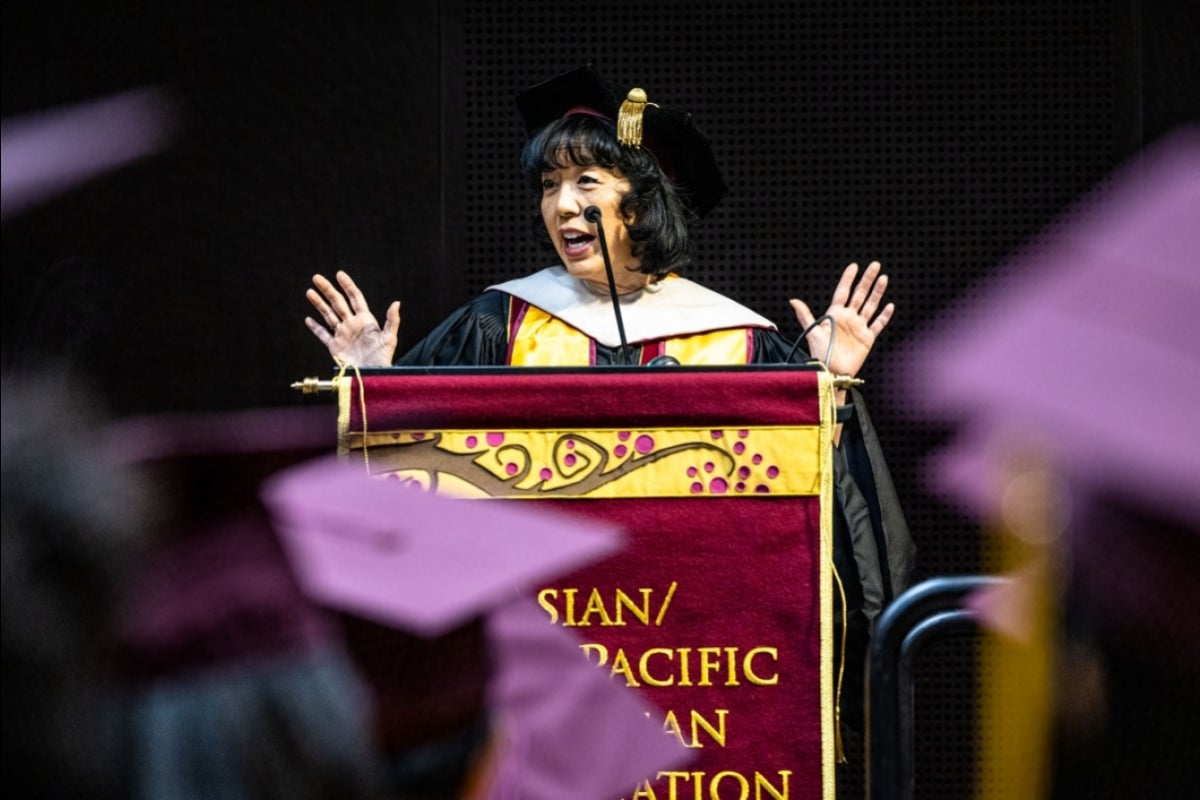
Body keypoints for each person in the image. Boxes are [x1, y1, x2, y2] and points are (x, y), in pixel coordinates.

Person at [303, 64, 914, 731]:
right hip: (534, 672)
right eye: (548, 185)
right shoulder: (500, 324)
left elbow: (817, 536)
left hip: (702, 667)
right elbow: (402, 501)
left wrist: (822, 399)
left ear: (644, 201)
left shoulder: (738, 340)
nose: (562, 204)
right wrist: (377, 391)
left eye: (585, 182)